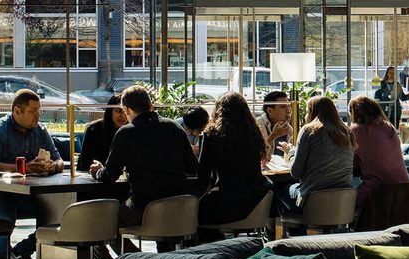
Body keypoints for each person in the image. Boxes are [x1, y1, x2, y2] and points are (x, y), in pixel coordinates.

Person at [0, 89, 65, 259]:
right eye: (33, 111)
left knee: (59, 212)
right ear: (17, 111)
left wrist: (52, 167)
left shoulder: (40, 130)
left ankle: (23, 250)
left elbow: (59, 160)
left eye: (39, 110)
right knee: (3, 217)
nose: (38, 115)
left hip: (28, 191)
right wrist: (25, 169)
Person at [90, 86, 199, 234]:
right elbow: (192, 167)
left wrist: (98, 171)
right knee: (164, 234)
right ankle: (148, 255)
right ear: (151, 106)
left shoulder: (126, 133)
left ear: (127, 110)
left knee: (103, 218)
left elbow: (110, 175)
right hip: (178, 207)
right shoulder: (174, 127)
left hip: (144, 208)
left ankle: (128, 256)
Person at [194, 93, 272, 237]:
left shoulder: (212, 134)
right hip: (255, 202)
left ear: (218, 110)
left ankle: (207, 251)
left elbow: (203, 174)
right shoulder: (254, 133)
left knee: (194, 213)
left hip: (228, 203)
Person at [287, 96, 355, 212]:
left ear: (314, 112)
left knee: (279, 189)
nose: (305, 116)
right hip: (343, 198)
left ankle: (294, 228)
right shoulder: (346, 132)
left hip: (313, 195)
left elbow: (295, 172)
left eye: (308, 111)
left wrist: (291, 153)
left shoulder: (309, 130)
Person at [349, 96, 409, 208]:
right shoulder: (389, 127)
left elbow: (351, 163)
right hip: (406, 189)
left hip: (377, 190)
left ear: (354, 113)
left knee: (343, 205)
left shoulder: (356, 130)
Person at [77, 93, 127, 173]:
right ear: (110, 111)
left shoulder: (130, 131)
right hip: (91, 175)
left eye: (125, 112)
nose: (122, 116)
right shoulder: (94, 129)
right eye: (118, 111)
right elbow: (85, 161)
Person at [258, 90, 293, 155]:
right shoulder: (258, 125)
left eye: (288, 106)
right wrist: (273, 135)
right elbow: (256, 155)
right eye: (282, 107)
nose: (288, 110)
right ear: (270, 111)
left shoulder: (289, 129)